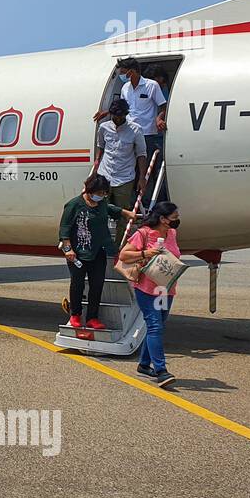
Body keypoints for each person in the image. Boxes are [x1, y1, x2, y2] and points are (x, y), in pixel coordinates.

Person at [118, 201, 182, 387]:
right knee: (154, 326)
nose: (177, 220)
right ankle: (161, 370)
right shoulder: (143, 233)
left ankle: (144, 364)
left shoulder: (172, 233)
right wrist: (147, 252)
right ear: (163, 219)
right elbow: (124, 255)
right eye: (174, 217)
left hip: (165, 289)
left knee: (159, 324)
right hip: (147, 289)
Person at [58, 173, 129, 332]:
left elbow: (111, 209)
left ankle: (92, 318)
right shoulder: (74, 205)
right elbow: (64, 229)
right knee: (77, 284)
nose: (102, 196)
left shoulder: (102, 203)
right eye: (99, 193)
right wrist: (68, 249)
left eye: (104, 193)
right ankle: (75, 314)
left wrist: (126, 213)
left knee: (97, 285)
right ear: (90, 191)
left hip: (98, 251)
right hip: (78, 253)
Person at [96, 57, 168, 200]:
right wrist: (108, 112)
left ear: (132, 72)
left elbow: (163, 106)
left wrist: (159, 118)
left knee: (147, 170)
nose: (122, 75)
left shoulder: (151, 85)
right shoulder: (125, 88)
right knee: (129, 168)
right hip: (128, 133)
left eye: (123, 72)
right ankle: (130, 201)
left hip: (147, 133)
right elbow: (124, 108)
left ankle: (147, 203)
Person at [94, 97, 147, 219]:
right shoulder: (103, 128)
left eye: (120, 117)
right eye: (115, 117)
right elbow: (100, 147)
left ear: (126, 115)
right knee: (100, 211)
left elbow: (141, 154)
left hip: (125, 177)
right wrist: (96, 164)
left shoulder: (135, 129)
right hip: (104, 174)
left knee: (123, 214)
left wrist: (142, 178)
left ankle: (121, 238)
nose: (117, 119)